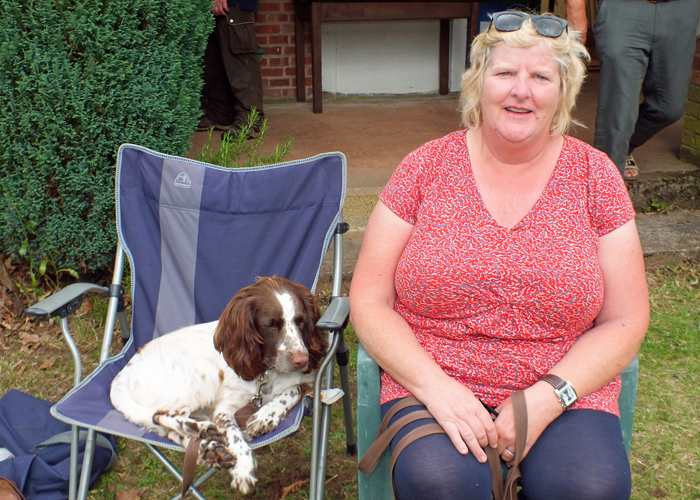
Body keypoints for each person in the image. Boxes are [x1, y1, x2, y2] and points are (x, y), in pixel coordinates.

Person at [349, 11, 650, 500]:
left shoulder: (596, 176)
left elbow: (627, 318)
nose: (521, 91)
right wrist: (436, 389)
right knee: (441, 484)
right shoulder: (424, 168)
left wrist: (550, 396)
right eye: (505, 73)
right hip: (434, 376)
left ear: (563, 91)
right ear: (478, 83)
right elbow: (369, 299)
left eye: (540, 77)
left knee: (590, 487)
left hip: (563, 381)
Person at [567, 0, 700, 179]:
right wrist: (575, 8)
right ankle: (605, 186)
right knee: (619, 107)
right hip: (623, 7)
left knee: (669, 108)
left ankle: (623, 148)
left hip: (682, 8)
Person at [198, 0, 264, 137]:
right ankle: (220, 115)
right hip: (214, 6)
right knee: (214, 63)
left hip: (233, 5)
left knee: (240, 64)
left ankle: (250, 120)